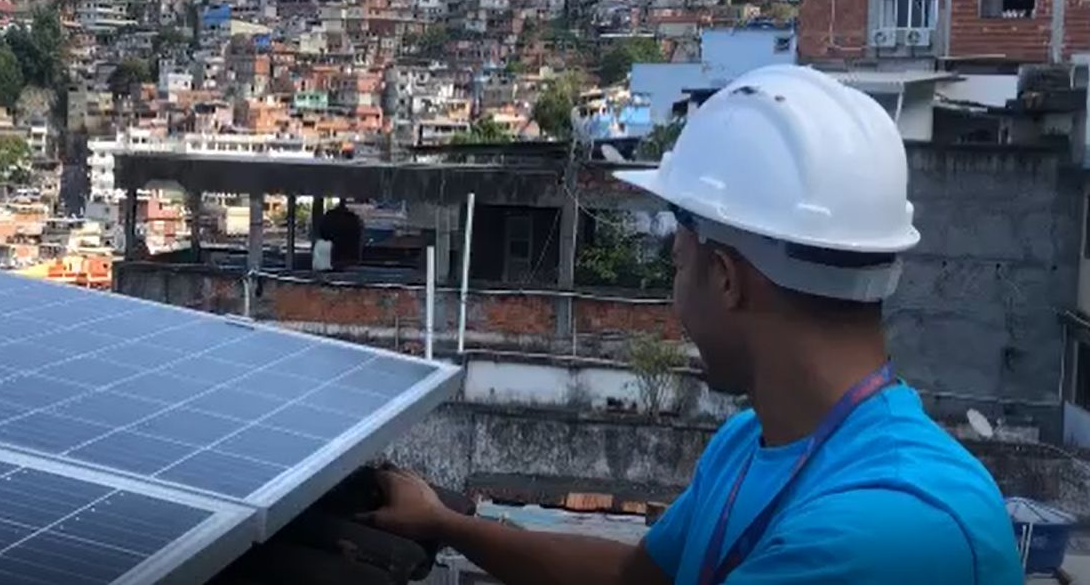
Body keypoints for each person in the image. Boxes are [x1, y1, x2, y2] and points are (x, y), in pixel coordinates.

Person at [360, 66, 1022, 585]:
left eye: (677, 267)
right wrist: (445, 524)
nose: (675, 297)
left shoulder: (890, 535)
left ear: (726, 277)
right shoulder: (752, 442)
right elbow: (635, 578)